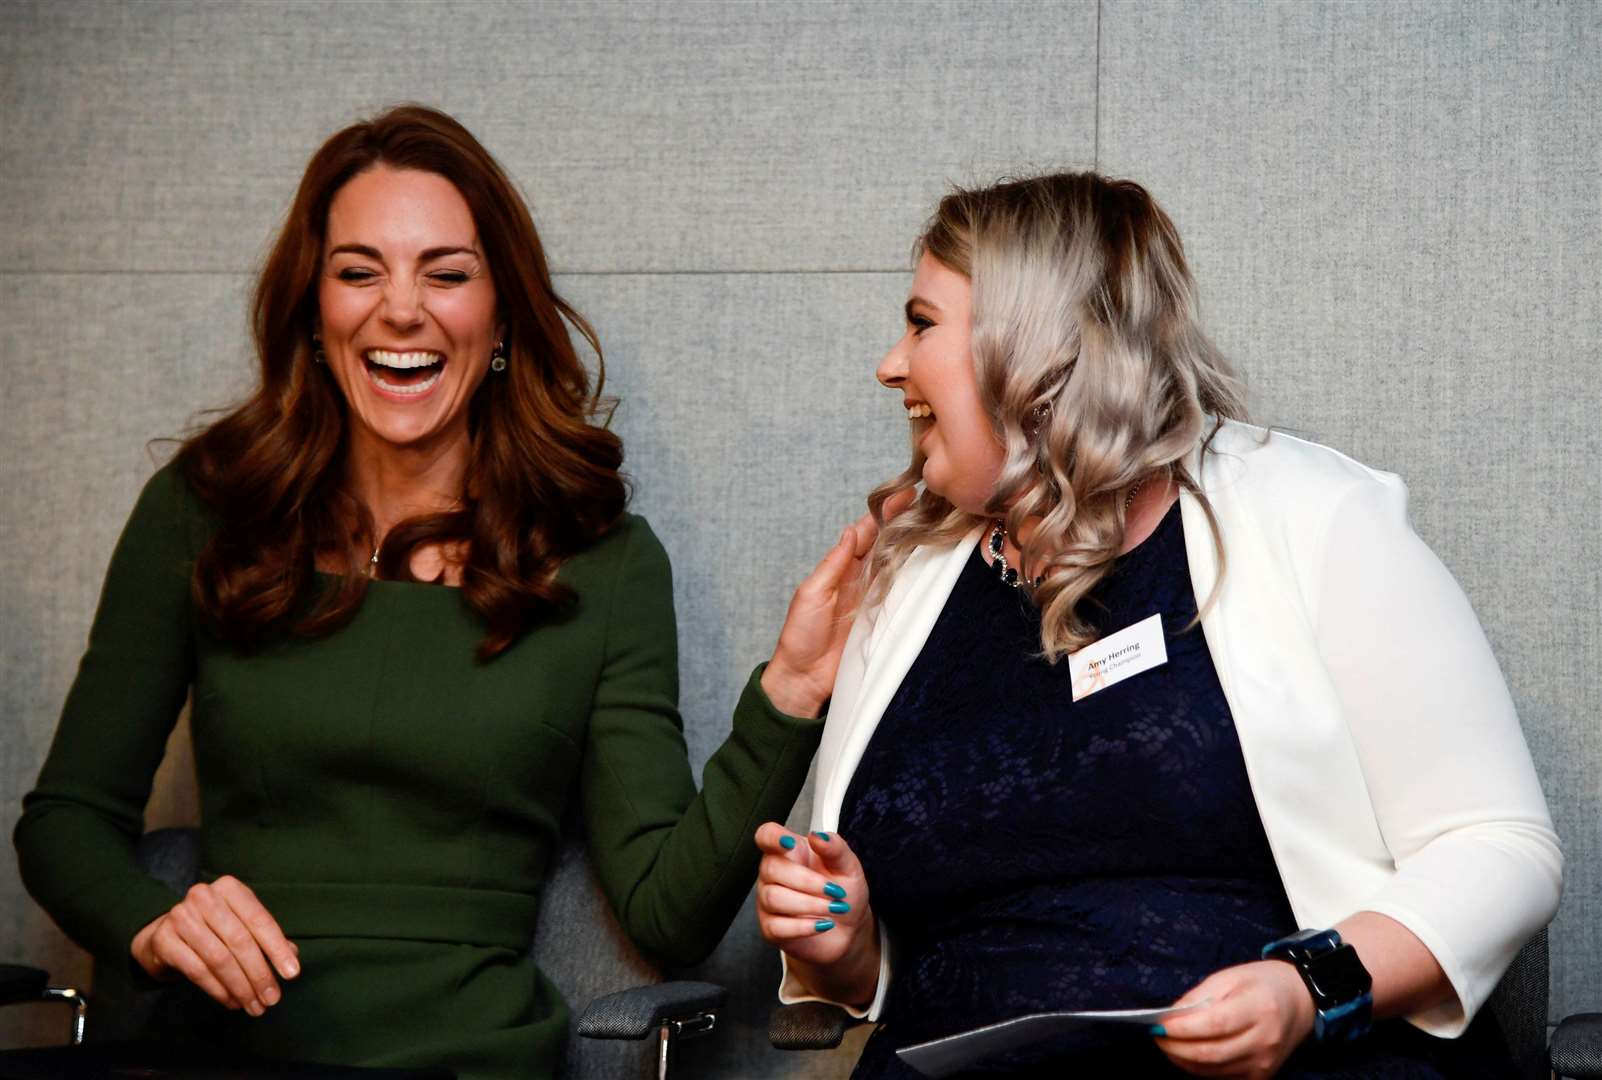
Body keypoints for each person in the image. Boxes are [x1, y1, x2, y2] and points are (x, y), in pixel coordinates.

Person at [13, 104, 870, 1079]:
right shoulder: (204, 513)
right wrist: (154, 922)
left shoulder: (605, 562)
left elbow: (666, 914)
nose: (402, 310)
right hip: (204, 1044)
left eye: (447, 272)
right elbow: (64, 820)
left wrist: (790, 694)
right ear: (313, 308)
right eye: (359, 270)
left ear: (501, 313)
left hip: (468, 1060)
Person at [754, 173, 1562, 1078]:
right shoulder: (906, 584)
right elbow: (920, 969)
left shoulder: (1313, 518)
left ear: (1034, 349)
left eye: (922, 322)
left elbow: (1504, 849)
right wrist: (849, 947)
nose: (891, 363)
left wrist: (1305, 988)